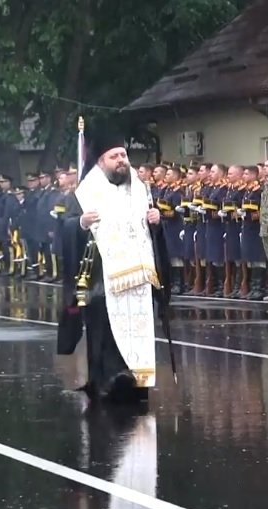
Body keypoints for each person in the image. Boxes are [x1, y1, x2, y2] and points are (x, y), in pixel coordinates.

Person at [57, 127, 171, 403]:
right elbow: (66, 228)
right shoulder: (85, 193)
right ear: (100, 162)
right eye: (114, 156)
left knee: (139, 333)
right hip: (103, 280)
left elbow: (149, 233)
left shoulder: (141, 189)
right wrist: (81, 223)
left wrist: (156, 222)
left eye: (123, 155)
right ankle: (106, 383)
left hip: (139, 282)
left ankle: (137, 383)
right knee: (104, 333)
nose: (121, 160)